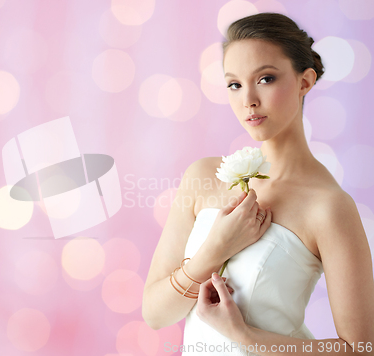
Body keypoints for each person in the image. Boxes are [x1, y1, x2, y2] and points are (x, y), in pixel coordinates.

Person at [142, 12, 374, 355]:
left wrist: (245, 336)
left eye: (265, 78)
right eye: (234, 84)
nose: (248, 99)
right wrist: (214, 249)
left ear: (304, 82)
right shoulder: (205, 177)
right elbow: (155, 316)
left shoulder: (328, 206)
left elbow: (361, 347)